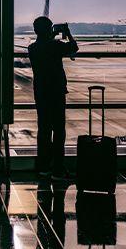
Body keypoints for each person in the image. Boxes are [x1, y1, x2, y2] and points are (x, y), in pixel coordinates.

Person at [28, 16, 78, 179]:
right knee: (58, 131)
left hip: (41, 93)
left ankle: (43, 167)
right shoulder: (55, 46)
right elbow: (74, 47)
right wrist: (67, 32)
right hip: (56, 92)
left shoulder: (32, 48)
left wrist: (51, 34)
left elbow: (44, 44)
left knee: (44, 130)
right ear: (49, 30)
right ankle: (58, 168)